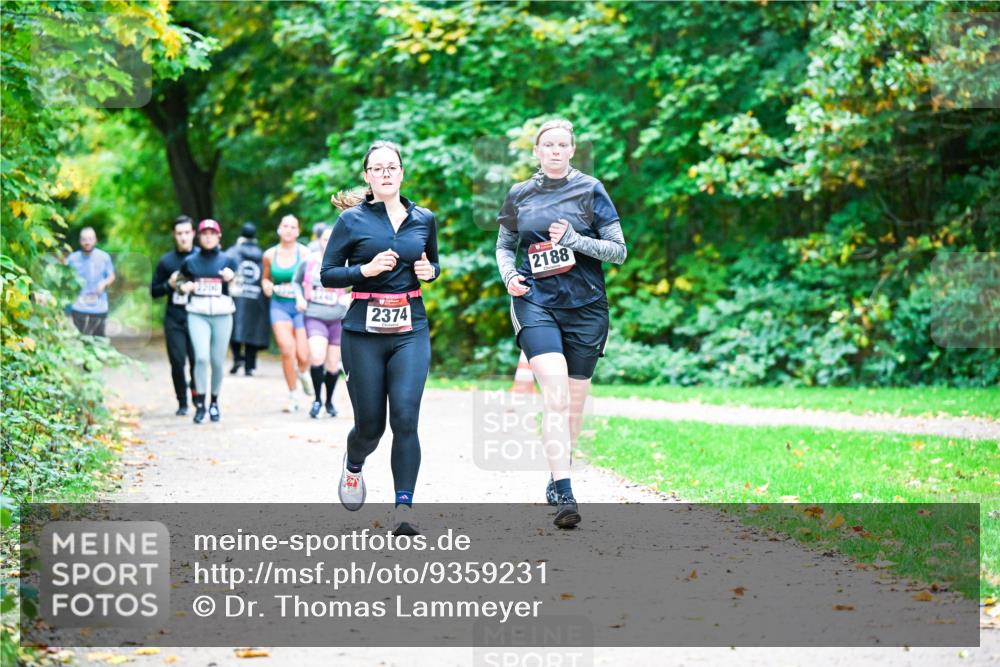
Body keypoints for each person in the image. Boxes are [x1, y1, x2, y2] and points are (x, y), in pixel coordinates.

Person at [494, 119, 627, 528]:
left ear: (572, 151)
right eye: (546, 145)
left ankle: (557, 473)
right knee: (554, 393)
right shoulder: (520, 194)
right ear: (536, 151)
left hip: (586, 307)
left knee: (573, 402)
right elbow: (504, 246)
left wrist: (574, 239)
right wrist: (510, 276)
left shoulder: (591, 189)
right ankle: (566, 494)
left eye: (561, 145)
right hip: (536, 302)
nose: (554, 150)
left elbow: (619, 252)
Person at [321, 141, 440, 536]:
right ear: (367, 176)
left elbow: (433, 262)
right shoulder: (352, 221)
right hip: (363, 331)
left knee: (406, 416)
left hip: (410, 327)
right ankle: (354, 464)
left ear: (402, 172)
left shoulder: (424, 218)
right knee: (370, 425)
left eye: (393, 167)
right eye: (378, 168)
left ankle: (403, 508)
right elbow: (328, 274)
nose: (386, 173)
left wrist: (430, 271)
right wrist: (365, 270)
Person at [177, 219, 238, 424]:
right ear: (199, 236)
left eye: (213, 233)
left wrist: (232, 280)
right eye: (205, 233)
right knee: (201, 358)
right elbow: (178, 282)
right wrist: (183, 287)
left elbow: (240, 290)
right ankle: (200, 404)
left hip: (223, 315)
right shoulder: (190, 261)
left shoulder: (228, 260)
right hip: (198, 314)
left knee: (217, 361)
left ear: (219, 236)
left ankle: (214, 402)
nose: (209, 236)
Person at [293, 224, 350, 418]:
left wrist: (350, 297)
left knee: (333, 364)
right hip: (315, 315)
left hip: (337, 318)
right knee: (317, 356)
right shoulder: (309, 261)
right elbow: (296, 281)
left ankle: (329, 401)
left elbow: (358, 282)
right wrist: (300, 298)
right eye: (325, 239)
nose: (328, 242)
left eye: (332, 238)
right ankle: (317, 400)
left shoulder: (346, 262)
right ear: (319, 241)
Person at [262, 214, 312, 412]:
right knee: (286, 349)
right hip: (279, 305)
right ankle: (292, 395)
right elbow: (266, 278)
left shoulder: (305, 253)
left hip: (300, 307)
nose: (289, 229)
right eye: (285, 226)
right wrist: (266, 286)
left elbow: (311, 281)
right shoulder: (269, 255)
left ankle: (303, 372)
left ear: (298, 231)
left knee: (303, 356)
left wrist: (304, 297)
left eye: (293, 227)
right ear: (279, 229)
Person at [150, 215, 198, 415]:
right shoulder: (166, 261)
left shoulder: (201, 258)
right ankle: (182, 402)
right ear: (174, 236)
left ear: (193, 234)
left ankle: (198, 396)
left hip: (198, 316)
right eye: (179, 234)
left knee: (199, 361)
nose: (184, 237)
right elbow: (154, 292)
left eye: (187, 233)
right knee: (177, 361)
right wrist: (169, 285)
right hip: (174, 318)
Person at [227, 222, 270, 376]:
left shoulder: (232, 252)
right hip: (256, 298)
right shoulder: (262, 254)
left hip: (237, 297)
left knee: (234, 327)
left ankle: (238, 358)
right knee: (253, 329)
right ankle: (249, 366)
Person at [66, 227, 115, 337]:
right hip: (78, 305)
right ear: (80, 241)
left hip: (99, 305)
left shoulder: (104, 257)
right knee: (82, 337)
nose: (87, 242)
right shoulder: (72, 259)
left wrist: (104, 283)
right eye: (84, 239)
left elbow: (111, 276)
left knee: (98, 338)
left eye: (90, 239)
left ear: (95, 240)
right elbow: (64, 279)